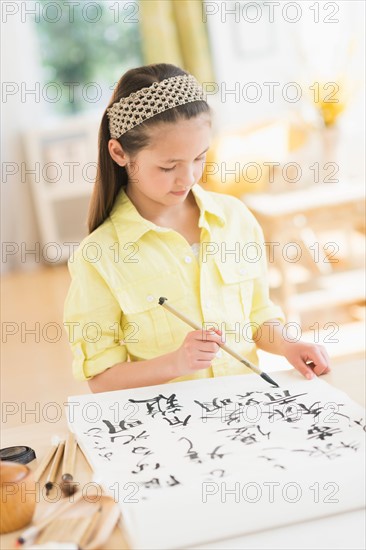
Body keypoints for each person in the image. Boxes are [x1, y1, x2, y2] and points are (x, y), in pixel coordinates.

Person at [63, 63, 330, 393]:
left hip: (248, 408)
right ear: (119, 152)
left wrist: (289, 345)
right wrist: (176, 363)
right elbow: (102, 378)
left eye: (199, 158)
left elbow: (258, 315)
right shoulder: (98, 256)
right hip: (172, 425)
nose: (188, 178)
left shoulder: (235, 219)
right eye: (168, 166)